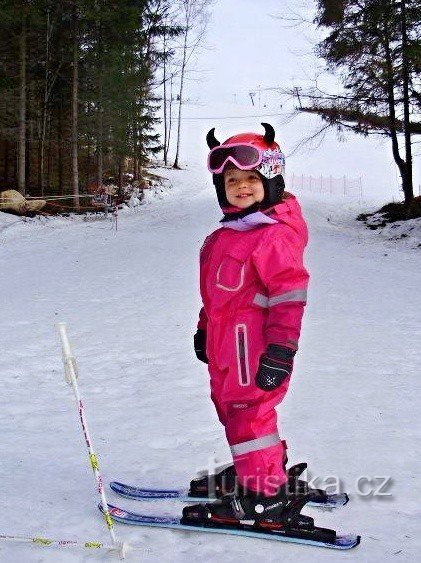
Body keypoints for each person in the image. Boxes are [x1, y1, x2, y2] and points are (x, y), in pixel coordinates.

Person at [191, 123, 310, 523]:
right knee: (231, 412)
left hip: (256, 351)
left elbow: (290, 296)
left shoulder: (272, 238)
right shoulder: (224, 236)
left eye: (251, 179)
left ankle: (264, 494)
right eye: (232, 180)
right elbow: (216, 295)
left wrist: (281, 350)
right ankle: (257, 468)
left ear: (271, 180)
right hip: (225, 347)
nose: (241, 186)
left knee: (249, 416)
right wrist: (205, 328)